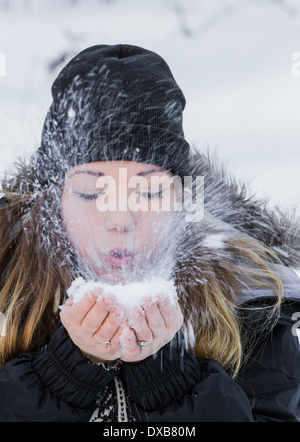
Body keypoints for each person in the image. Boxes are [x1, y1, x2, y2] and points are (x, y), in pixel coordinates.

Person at [0, 44, 300, 422]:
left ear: (182, 198)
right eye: (92, 192)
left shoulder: (253, 302)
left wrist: (171, 381)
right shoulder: (5, 284)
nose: (120, 218)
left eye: (149, 192)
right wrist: (64, 373)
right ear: (52, 202)